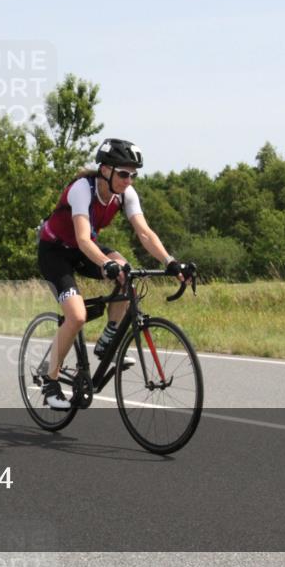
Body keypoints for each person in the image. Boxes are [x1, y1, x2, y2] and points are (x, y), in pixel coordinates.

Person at [37, 139, 187, 410]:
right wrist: (107, 263)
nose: (129, 180)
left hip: (86, 249)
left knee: (127, 275)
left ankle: (108, 341)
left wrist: (170, 261)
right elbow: (83, 238)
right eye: (123, 173)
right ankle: (50, 382)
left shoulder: (126, 194)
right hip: (56, 251)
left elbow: (144, 233)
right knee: (77, 315)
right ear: (105, 170)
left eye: (133, 174)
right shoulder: (83, 189)